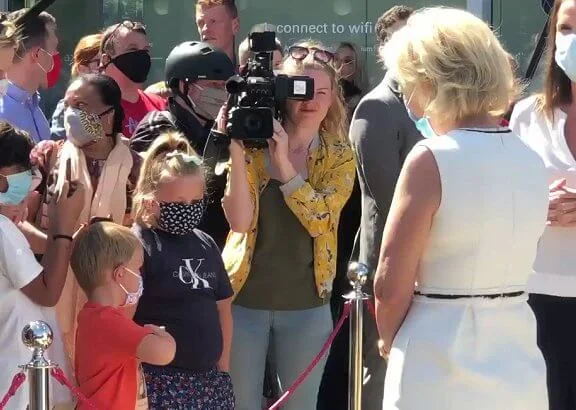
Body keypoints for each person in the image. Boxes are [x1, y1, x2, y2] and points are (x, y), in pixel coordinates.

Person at [375, 7, 549, 409]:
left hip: (436, 348)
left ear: (430, 80)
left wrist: (390, 342)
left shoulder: (431, 158)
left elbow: (390, 281)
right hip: (516, 344)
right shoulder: (530, 157)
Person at [221, 40, 355, 410]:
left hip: (306, 305)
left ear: (333, 99)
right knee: (240, 404)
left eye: (322, 92)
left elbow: (321, 221)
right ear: (284, 92)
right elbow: (239, 221)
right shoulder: (252, 144)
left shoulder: (339, 154)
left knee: (299, 405)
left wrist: (286, 171)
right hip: (243, 300)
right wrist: (234, 145)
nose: (310, 101)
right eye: (301, 90)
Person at [510, 0, 576, 408]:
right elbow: (505, 198)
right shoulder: (527, 114)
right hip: (535, 296)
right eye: (565, 29)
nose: (574, 41)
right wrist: (535, 205)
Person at [31, 73, 143, 369]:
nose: (70, 114)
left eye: (80, 106)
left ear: (107, 116)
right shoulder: (47, 158)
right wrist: (65, 244)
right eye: (67, 105)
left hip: (114, 300)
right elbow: (21, 224)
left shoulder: (137, 168)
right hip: (51, 292)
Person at [336, 5, 416, 410]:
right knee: (378, 376)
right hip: (386, 264)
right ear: (385, 47)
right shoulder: (376, 108)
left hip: (427, 266)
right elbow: (391, 197)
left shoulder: (430, 104)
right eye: (406, 36)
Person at [132, 132, 235, 408]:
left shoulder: (205, 242)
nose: (187, 210)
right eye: (178, 203)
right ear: (151, 198)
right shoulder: (138, 243)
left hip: (209, 382)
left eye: (194, 202)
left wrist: (223, 369)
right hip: (159, 381)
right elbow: (125, 315)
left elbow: (223, 308)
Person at [0, 121, 84, 410]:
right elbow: (48, 293)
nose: (29, 179)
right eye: (22, 171)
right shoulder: (2, 231)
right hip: (20, 383)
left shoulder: (7, 226)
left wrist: (66, 238)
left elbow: (34, 242)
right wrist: (63, 226)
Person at [130, 41, 234, 249]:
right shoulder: (158, 128)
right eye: (213, 85)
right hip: (168, 250)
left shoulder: (223, 128)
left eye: (225, 86)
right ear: (182, 85)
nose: (221, 93)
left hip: (215, 248)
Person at [72, 220, 176, 410]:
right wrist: (164, 337)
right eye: (137, 268)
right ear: (120, 273)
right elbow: (163, 353)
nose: (139, 275)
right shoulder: (109, 322)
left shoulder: (91, 317)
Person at [0, 9, 60, 143]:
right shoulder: (3, 115)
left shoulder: (32, 104)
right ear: (37, 54)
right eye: (54, 49)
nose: (57, 55)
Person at [99, 21, 166, 138]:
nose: (141, 56)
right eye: (132, 49)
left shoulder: (160, 105)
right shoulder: (93, 105)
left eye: (145, 50)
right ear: (106, 60)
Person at [50, 33, 102, 141]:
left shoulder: (118, 102)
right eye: (98, 62)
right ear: (82, 69)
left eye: (108, 60)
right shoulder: (68, 107)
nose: (104, 66)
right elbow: (58, 146)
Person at [335, 42, 368, 120]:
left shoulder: (365, 104)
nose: (339, 65)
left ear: (357, 67)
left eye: (347, 61)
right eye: (336, 59)